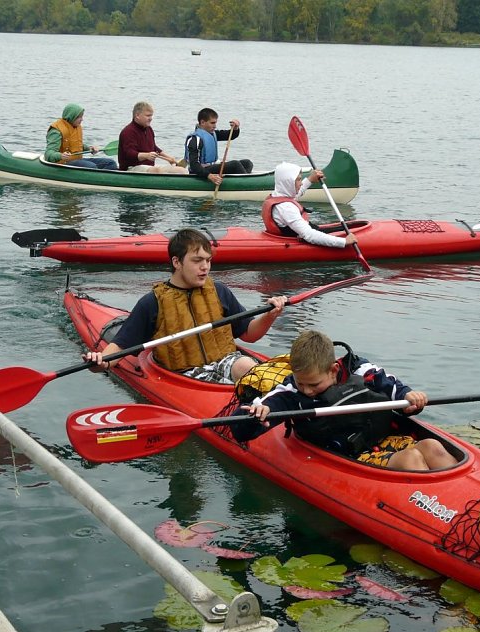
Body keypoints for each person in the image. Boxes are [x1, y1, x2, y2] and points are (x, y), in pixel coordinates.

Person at [232, 330, 459, 471]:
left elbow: (392, 387)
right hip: (351, 457)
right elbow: (243, 427)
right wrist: (256, 416)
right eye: (302, 383)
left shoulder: (359, 368)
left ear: (333, 369)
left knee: (432, 447)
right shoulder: (291, 392)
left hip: (381, 439)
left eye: (314, 384)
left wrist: (409, 397)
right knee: (411, 459)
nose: (307, 390)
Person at [83, 228, 286, 384]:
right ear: (177, 262)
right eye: (197, 260)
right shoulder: (152, 302)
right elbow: (118, 350)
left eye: (208, 260)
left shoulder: (219, 290)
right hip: (184, 374)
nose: (205, 267)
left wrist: (271, 315)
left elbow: (249, 334)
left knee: (247, 366)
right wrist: (99, 362)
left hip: (226, 360)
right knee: (232, 387)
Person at [261, 162, 358, 248]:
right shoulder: (286, 208)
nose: (300, 183)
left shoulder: (278, 195)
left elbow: (296, 193)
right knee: (350, 229)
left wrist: (311, 179)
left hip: (300, 231)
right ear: (288, 182)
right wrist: (344, 241)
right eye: (298, 180)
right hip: (302, 238)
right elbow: (309, 235)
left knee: (353, 225)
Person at [184, 108, 253, 186]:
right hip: (200, 171)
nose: (215, 126)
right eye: (212, 123)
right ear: (202, 122)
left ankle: (238, 181)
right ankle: (247, 185)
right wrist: (209, 176)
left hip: (212, 167)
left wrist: (235, 128)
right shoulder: (195, 139)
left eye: (215, 123)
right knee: (235, 164)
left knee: (247, 163)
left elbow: (230, 135)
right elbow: (194, 165)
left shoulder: (212, 133)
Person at [118, 101, 187, 174]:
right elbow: (129, 154)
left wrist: (169, 158)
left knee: (181, 170)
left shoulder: (149, 129)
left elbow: (154, 147)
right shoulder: (128, 131)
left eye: (151, 116)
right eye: (148, 116)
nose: (151, 118)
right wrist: (146, 155)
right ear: (137, 115)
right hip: (131, 168)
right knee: (156, 171)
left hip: (149, 167)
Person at [45, 103, 117, 170]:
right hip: (64, 163)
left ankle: (103, 180)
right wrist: (60, 156)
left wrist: (90, 148)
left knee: (111, 163)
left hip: (78, 160)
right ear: (72, 116)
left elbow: (76, 145)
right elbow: (49, 153)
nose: (82, 119)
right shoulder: (56, 131)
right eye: (79, 117)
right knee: (91, 167)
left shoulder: (76, 126)